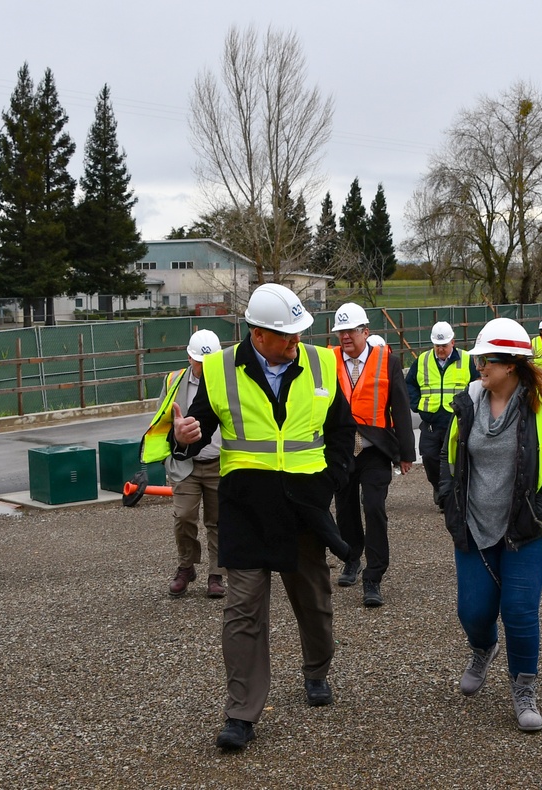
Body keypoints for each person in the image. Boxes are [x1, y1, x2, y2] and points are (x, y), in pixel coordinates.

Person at [170, 283, 356, 751]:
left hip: (304, 505)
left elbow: (340, 432)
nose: (295, 343)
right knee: (243, 610)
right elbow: (194, 431)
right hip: (245, 506)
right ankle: (241, 712)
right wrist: (184, 437)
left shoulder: (321, 363)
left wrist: (327, 482)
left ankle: (317, 671)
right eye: (286, 336)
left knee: (313, 600)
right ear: (257, 333)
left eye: (299, 334)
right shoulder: (218, 370)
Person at [437, 317, 542, 732]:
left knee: (518, 610)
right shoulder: (468, 402)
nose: (480, 368)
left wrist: (538, 511)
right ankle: (483, 648)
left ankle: (524, 689)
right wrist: (449, 505)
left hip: (527, 530)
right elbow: (448, 461)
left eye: (487, 362)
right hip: (475, 527)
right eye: (479, 361)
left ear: (511, 365)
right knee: (473, 611)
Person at [330, 302, 415, 608]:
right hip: (341, 451)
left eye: (351, 331)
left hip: (375, 450)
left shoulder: (386, 361)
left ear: (365, 331)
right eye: (341, 332)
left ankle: (373, 577)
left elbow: (401, 407)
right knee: (346, 508)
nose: (345, 337)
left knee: (374, 506)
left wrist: (406, 452)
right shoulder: (329, 361)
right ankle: (351, 558)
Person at [142, 329, 225, 598]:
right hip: (185, 463)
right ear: (189, 358)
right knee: (183, 517)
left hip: (219, 462)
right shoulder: (173, 381)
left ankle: (216, 574)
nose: (203, 367)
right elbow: (161, 420)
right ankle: (186, 567)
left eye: (209, 362)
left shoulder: (227, 382)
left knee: (218, 521)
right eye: (199, 361)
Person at [406, 321, 479, 509]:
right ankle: (439, 487)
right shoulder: (422, 360)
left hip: (457, 422)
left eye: (444, 345)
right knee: (429, 458)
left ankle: (452, 494)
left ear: (453, 342)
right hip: (430, 423)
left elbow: (478, 383)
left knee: (457, 460)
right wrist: (416, 405)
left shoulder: (466, 360)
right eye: (437, 345)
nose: (440, 349)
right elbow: (409, 384)